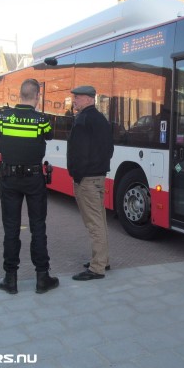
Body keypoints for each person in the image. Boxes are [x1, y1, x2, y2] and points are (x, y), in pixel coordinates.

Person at [0, 78, 59, 294]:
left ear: (20, 95)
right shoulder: (41, 120)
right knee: (38, 227)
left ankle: (10, 280)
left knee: (11, 228)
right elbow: (50, 135)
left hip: (9, 179)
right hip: (34, 179)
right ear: (37, 96)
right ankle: (42, 278)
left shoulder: (2, 117)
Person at [67, 85, 114, 280]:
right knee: (100, 220)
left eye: (77, 97)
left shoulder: (83, 120)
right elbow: (109, 149)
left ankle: (97, 268)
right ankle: (102, 259)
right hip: (99, 176)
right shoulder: (101, 119)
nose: (74, 100)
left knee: (94, 223)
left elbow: (79, 153)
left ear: (89, 99)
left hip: (86, 179)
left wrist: (77, 176)